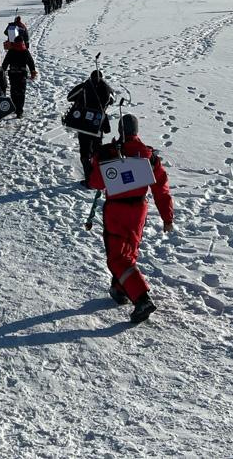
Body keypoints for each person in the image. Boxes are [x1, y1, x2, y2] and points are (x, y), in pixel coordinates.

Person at [86, 114, 174, 324]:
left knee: (117, 257)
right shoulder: (149, 155)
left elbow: (96, 183)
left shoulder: (108, 153)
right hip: (139, 210)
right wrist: (167, 217)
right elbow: (161, 188)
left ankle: (142, 298)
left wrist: (95, 161)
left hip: (116, 211)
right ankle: (120, 289)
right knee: (129, 251)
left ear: (120, 129)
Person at [67, 70, 113, 185]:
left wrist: (86, 84)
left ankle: (89, 180)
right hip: (98, 124)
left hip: (84, 124)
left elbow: (70, 97)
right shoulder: (106, 89)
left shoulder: (85, 87)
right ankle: (99, 179)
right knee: (98, 151)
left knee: (85, 151)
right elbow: (112, 100)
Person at [1, 43, 37, 118]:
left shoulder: (11, 51)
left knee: (13, 91)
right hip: (22, 75)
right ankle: (19, 111)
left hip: (13, 75)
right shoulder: (25, 51)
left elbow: (5, 62)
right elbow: (31, 62)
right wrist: (32, 71)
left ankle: (14, 107)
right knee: (21, 92)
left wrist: (1, 70)